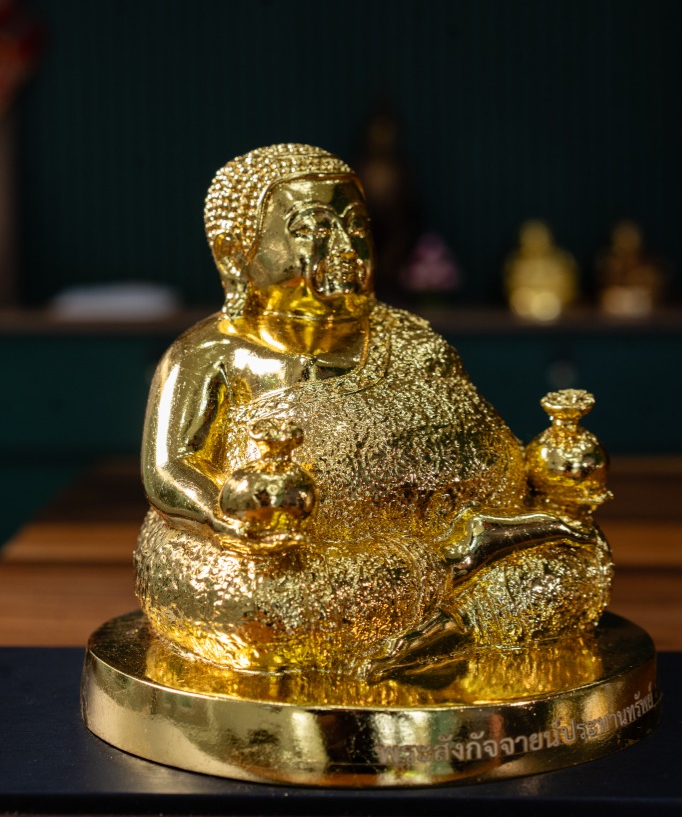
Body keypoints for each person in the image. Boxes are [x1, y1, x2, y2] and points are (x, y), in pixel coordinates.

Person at [135, 144, 611, 677]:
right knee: (260, 606)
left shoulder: (406, 336)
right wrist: (228, 518)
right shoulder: (210, 355)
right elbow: (167, 470)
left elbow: (479, 437)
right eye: (313, 227)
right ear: (234, 253)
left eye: (356, 225)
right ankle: (461, 583)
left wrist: (547, 478)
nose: (346, 248)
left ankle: (447, 623)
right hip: (298, 561)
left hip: (439, 538)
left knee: (576, 559)